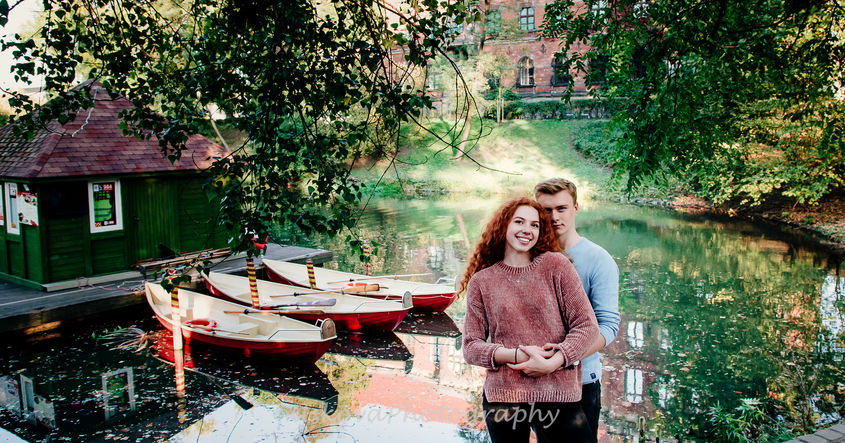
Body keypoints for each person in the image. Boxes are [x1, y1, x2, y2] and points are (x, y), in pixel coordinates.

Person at [461, 197, 600, 442]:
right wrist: (516, 355)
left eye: (535, 225)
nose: (527, 230)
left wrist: (554, 362)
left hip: (558, 394)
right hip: (504, 399)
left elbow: (587, 326)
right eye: (519, 222)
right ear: (503, 226)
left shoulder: (556, 266)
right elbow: (471, 347)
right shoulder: (482, 281)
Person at [534, 178, 621, 439]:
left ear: (575, 208)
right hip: (535, 382)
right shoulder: (528, 255)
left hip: (580, 383)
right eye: (546, 210)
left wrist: (562, 358)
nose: (554, 217)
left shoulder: (599, 260)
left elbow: (608, 327)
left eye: (561, 208)